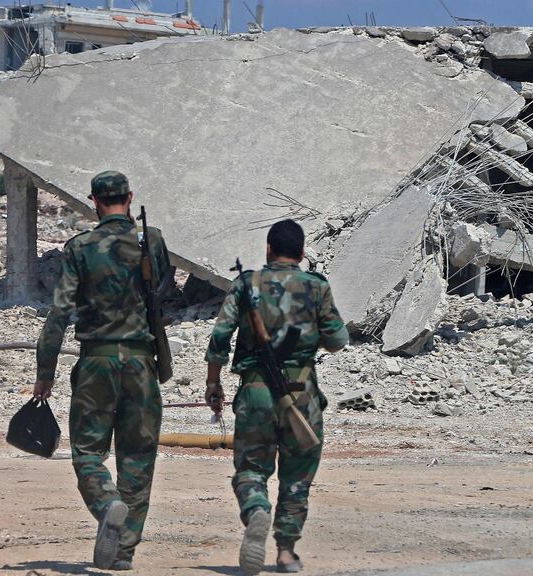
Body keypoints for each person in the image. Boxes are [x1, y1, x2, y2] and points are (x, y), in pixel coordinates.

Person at [33, 170, 170, 571]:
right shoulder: (152, 240)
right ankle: (123, 550)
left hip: (95, 361)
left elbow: (60, 311)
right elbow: (162, 289)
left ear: (93, 200)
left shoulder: (80, 247)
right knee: (138, 458)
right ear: (130, 197)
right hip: (142, 362)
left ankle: (108, 504)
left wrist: (46, 369)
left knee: (89, 453)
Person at [204, 219, 348, 575]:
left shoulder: (246, 284)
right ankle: (285, 552)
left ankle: (255, 509)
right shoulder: (316, 286)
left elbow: (219, 338)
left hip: (254, 394)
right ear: (301, 254)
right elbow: (337, 340)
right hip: (302, 395)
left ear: (268, 250)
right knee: (297, 477)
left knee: (251, 470)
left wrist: (213, 383)